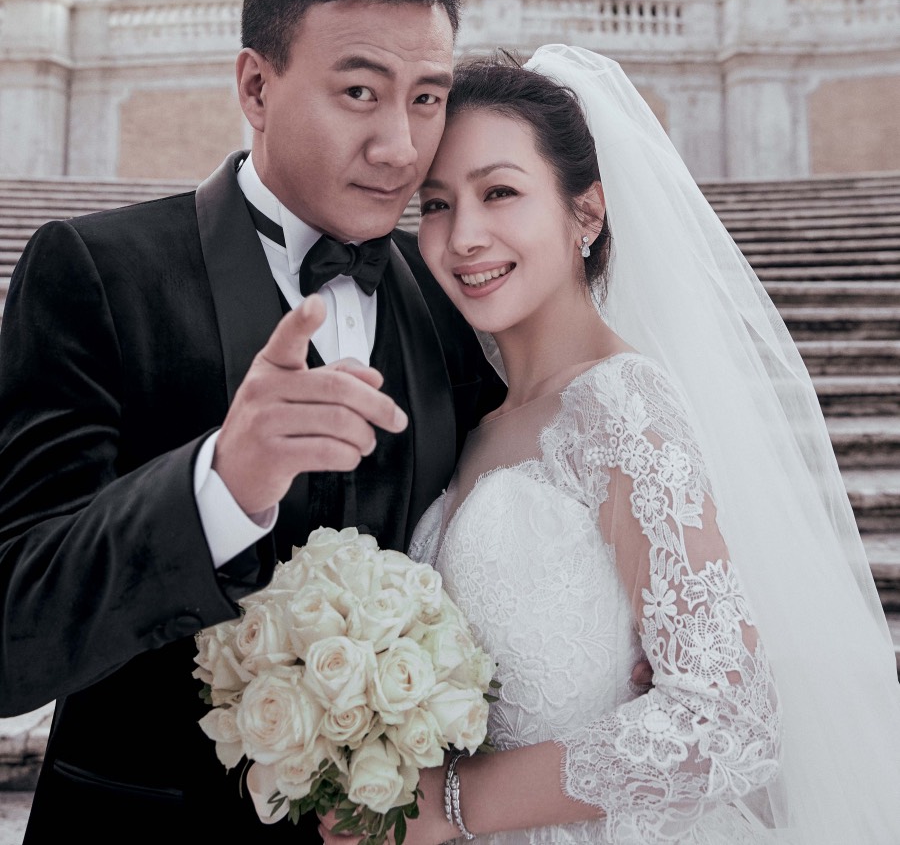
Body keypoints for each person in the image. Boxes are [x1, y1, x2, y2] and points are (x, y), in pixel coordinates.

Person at [0, 0, 507, 841]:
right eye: (360, 91)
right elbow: (11, 632)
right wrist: (217, 485)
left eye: (427, 98)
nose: (401, 147)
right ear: (256, 86)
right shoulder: (94, 272)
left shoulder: (455, 304)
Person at [329, 46, 900, 845]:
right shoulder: (478, 420)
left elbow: (730, 722)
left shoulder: (619, 404)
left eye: (500, 192)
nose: (464, 237)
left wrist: (454, 803)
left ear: (587, 213)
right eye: (437, 205)